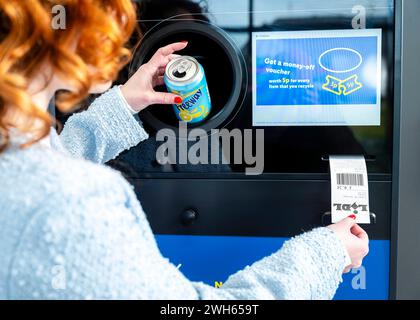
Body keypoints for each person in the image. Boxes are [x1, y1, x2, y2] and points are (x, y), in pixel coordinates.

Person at [0, 0, 369, 299]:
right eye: (108, 10)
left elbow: (44, 167)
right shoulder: (73, 200)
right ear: (56, 25)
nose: (118, 29)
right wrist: (324, 255)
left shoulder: (18, 159)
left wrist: (123, 103)